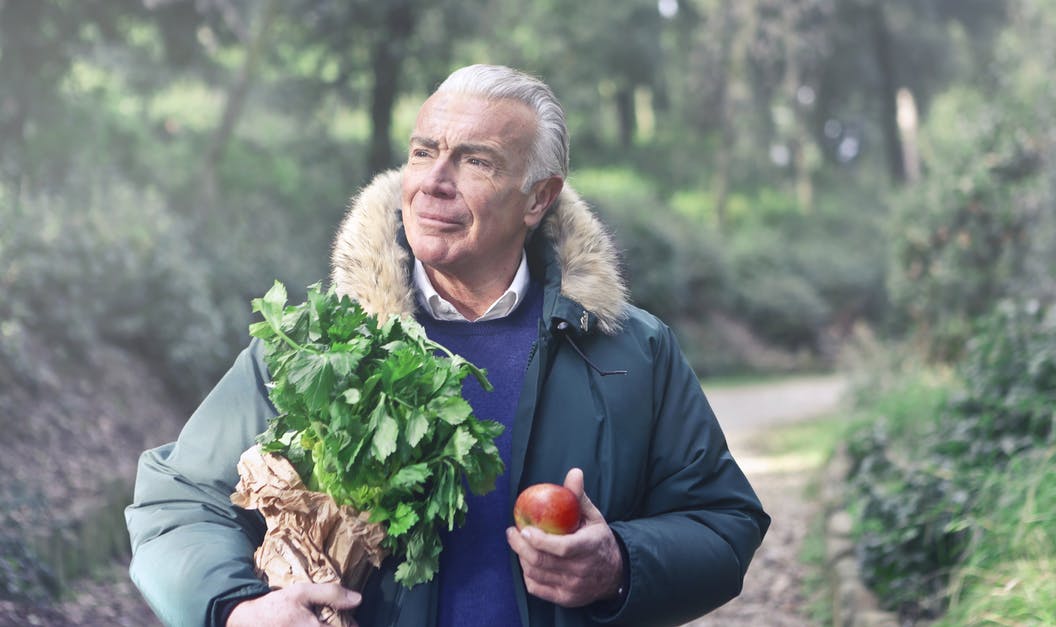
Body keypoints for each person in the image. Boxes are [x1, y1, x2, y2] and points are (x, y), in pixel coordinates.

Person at [126, 64, 770, 627]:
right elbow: (177, 501)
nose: (435, 181)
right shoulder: (317, 348)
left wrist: (619, 565)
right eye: (423, 151)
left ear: (538, 198)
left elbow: (722, 522)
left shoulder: (630, 351)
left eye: (476, 160)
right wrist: (236, 609)